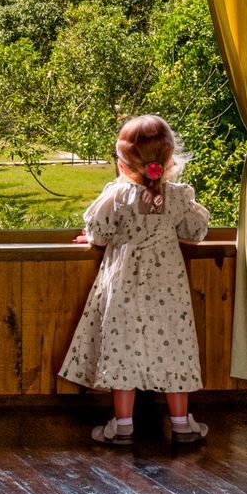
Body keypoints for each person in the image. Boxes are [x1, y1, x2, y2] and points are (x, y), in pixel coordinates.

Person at [60, 114, 212, 447]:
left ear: (124, 164)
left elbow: (98, 234)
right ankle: (182, 424)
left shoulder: (118, 196)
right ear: (168, 160)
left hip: (125, 287)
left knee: (122, 349)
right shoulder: (178, 197)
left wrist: (92, 241)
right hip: (169, 290)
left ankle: (123, 424)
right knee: (175, 349)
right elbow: (196, 232)